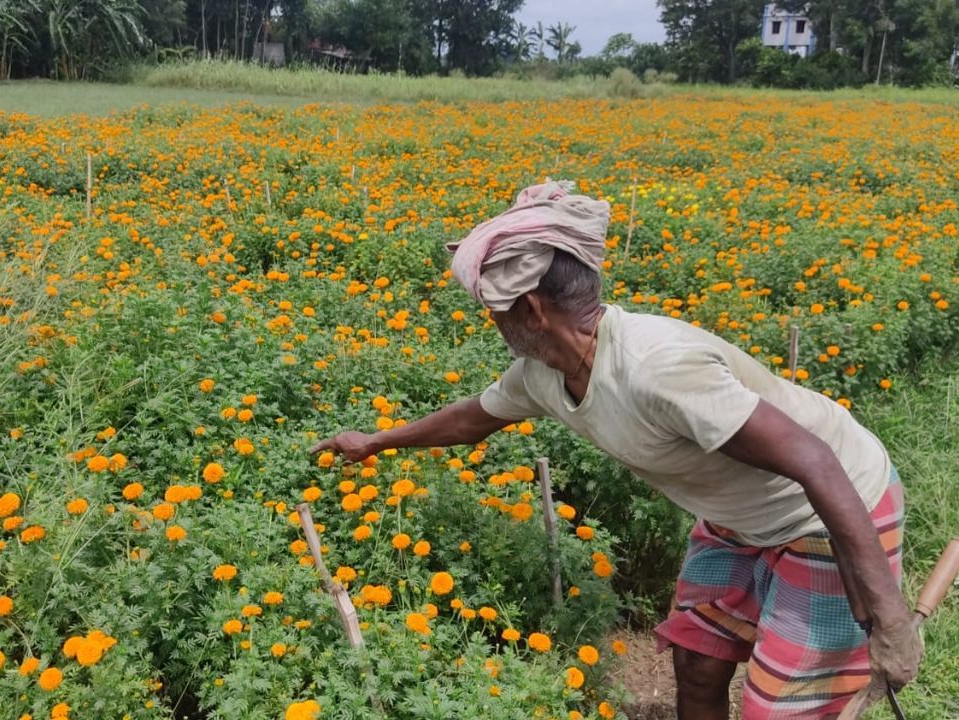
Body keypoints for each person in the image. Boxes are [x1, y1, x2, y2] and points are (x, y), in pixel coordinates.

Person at [312, 181, 923, 719]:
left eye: (494, 311)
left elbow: (817, 463)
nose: (492, 324)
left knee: (781, 708)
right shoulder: (544, 373)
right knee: (698, 661)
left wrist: (890, 620)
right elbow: (471, 420)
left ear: (531, 308)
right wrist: (376, 443)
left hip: (829, 508)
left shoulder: (657, 368)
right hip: (740, 518)